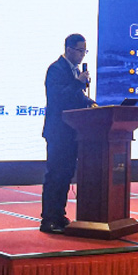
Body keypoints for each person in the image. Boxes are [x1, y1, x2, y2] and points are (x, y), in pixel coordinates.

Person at [40, 33, 96, 234]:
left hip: (72, 133)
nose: (82, 55)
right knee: (55, 175)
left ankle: (59, 215)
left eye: (84, 51)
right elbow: (59, 98)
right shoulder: (56, 69)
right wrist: (78, 83)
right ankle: (48, 219)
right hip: (58, 132)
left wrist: (92, 103)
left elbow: (76, 97)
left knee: (65, 175)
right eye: (80, 51)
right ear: (69, 49)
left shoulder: (74, 71)